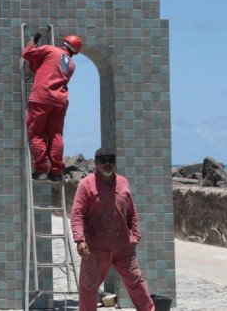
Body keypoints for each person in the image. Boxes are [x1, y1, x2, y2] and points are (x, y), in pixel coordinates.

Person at [70, 148, 155, 311]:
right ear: (96, 163)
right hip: (95, 249)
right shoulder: (86, 185)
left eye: (110, 160)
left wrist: (135, 235)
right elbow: (77, 214)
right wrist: (79, 240)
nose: (107, 163)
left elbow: (131, 211)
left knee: (137, 283)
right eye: (103, 160)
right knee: (88, 289)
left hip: (123, 247)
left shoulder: (123, 182)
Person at [22, 33, 81, 181]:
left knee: (37, 133)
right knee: (56, 135)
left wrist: (31, 43)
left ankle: (41, 170)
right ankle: (55, 172)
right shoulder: (71, 66)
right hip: (60, 101)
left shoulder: (50, 49)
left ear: (64, 43)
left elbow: (27, 54)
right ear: (74, 52)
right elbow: (45, 69)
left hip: (41, 97)